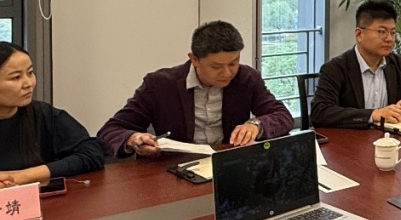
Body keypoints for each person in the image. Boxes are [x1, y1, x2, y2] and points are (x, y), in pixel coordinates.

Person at [97, 21, 293, 157]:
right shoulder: (159, 84)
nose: (227, 73)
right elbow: (110, 130)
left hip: (227, 163)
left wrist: (256, 125)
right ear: (194, 59)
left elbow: (282, 116)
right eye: (216, 67)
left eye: (233, 63)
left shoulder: (246, 78)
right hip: (175, 167)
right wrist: (133, 138)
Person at [311, 0, 401, 128]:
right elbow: (320, 112)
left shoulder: (396, 63)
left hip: (390, 136)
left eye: (392, 32)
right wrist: (373, 114)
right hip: (352, 137)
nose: (389, 39)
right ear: (359, 34)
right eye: (382, 32)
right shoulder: (335, 68)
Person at [0, 42, 105, 186]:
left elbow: (92, 153)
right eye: (16, 77)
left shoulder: (43, 114)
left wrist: (21, 176)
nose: (28, 83)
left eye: (30, 73)